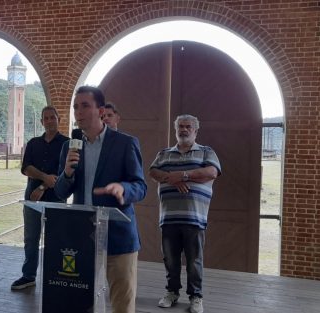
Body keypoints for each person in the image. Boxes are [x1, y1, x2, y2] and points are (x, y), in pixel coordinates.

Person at [54, 86, 147, 313]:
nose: (78, 112)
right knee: (84, 302)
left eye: (85, 106)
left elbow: (140, 186)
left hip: (118, 237)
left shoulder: (125, 143)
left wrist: (122, 188)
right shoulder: (70, 146)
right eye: (76, 107)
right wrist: (66, 173)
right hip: (82, 239)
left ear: (101, 111)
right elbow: (60, 192)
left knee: (121, 305)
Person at [148, 114, 221, 313]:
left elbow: (212, 173)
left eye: (188, 127)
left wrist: (183, 175)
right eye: (180, 126)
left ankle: (196, 297)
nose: (184, 130)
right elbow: (153, 172)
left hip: (195, 218)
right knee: (170, 259)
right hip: (169, 217)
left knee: (194, 260)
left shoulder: (206, 152)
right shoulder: (164, 153)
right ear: (176, 130)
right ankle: (172, 292)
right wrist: (172, 179)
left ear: (196, 131)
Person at [10, 106, 69, 290]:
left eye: (53, 117)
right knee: (31, 237)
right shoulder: (33, 143)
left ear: (58, 119)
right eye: (46, 118)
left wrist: (43, 185)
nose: (50, 121)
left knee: (55, 238)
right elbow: (26, 167)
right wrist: (44, 178)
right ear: (41, 121)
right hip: (32, 198)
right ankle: (28, 276)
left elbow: (64, 173)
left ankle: (55, 275)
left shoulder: (67, 144)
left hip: (56, 197)